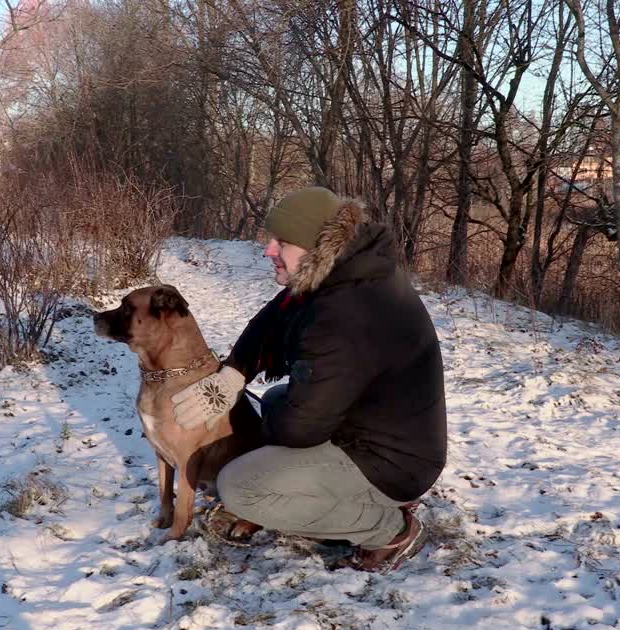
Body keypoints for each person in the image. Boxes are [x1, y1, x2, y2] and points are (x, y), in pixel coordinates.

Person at [171, 186, 447, 573]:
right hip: (379, 431)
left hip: (393, 461)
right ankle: (354, 499)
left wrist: (264, 442)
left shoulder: (345, 312)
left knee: (241, 486)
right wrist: (234, 372)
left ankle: (388, 528)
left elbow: (300, 431)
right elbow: (273, 317)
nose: (269, 250)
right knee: (274, 402)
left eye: (281, 241)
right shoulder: (344, 272)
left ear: (314, 247)